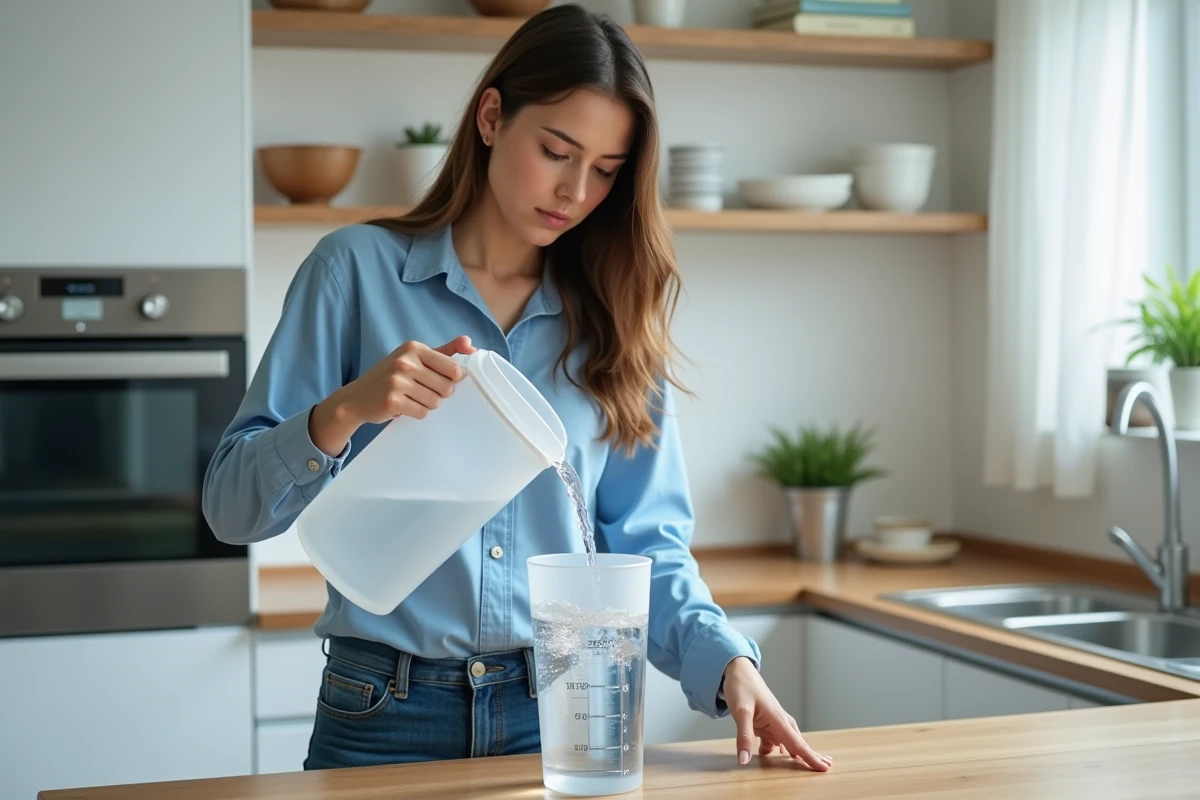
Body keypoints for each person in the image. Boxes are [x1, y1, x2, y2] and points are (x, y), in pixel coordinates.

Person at [202, 2, 832, 774]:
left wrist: (731, 664)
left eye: (605, 171)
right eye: (558, 151)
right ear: (492, 117)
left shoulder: (614, 316)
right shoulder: (354, 272)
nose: (575, 191)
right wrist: (345, 411)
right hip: (383, 711)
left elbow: (643, 545)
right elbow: (231, 508)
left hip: (562, 712)